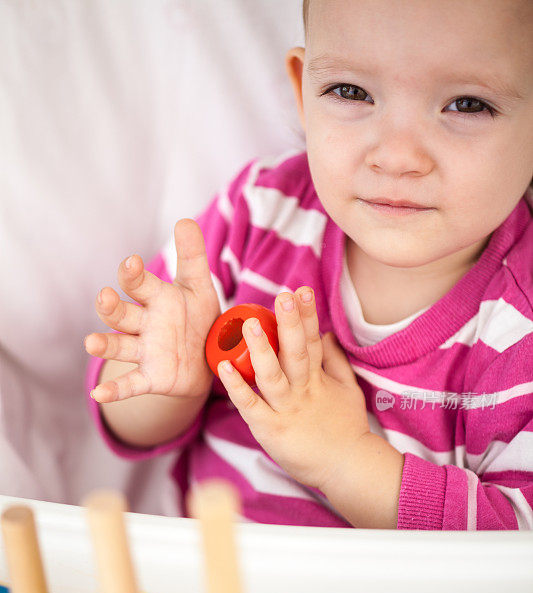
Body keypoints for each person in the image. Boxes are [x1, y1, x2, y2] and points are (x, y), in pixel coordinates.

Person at [85, 0, 533, 530]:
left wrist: (344, 461)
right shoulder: (258, 212)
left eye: (466, 104)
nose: (396, 156)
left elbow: (512, 552)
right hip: (207, 585)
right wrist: (167, 381)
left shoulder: (516, 330)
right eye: (351, 92)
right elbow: (128, 421)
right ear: (303, 93)